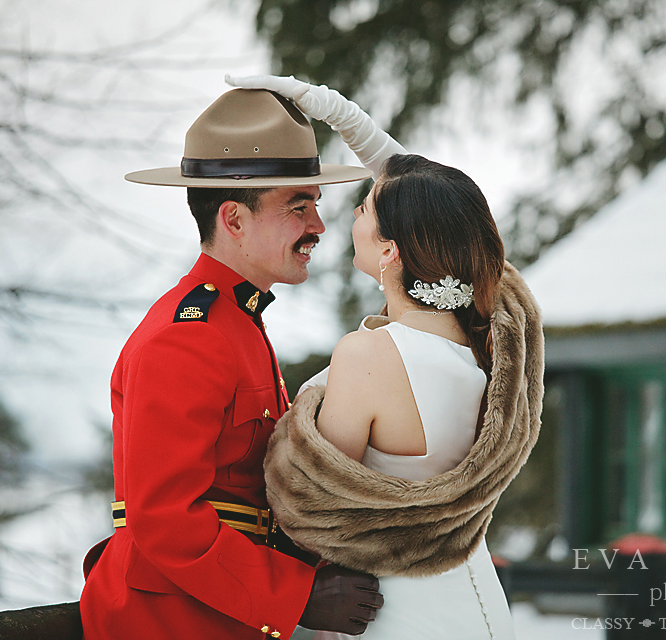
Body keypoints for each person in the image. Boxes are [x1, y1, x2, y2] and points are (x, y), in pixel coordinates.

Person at [226, 76, 544, 640]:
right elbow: (439, 204)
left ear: (391, 251)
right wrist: (336, 112)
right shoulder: (487, 340)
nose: (350, 214)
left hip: (395, 613)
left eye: (365, 206)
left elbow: (308, 507)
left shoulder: (369, 353)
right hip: (476, 604)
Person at [79, 89, 386, 640]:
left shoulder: (234, 320)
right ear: (234, 219)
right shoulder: (187, 337)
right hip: (168, 622)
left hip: (213, 612)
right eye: (299, 205)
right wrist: (296, 597)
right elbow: (164, 516)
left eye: (315, 203)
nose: (318, 225)